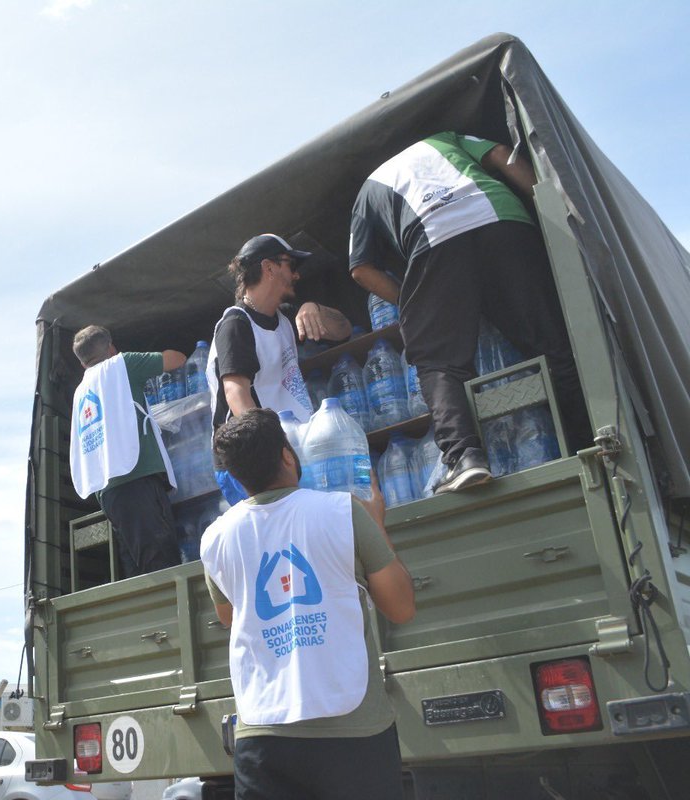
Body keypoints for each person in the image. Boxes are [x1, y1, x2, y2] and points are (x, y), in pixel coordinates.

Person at [349, 131, 591, 494]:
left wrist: (415, 303)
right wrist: (551, 209)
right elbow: (502, 156)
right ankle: (587, 440)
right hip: (504, 221)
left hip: (435, 236)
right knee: (552, 342)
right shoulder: (446, 138)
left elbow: (361, 269)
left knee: (438, 361)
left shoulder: (368, 190)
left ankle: (465, 459)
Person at [200, 409, 415, 800]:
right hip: (353, 732)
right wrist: (377, 525)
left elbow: (231, 616)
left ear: (235, 476)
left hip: (262, 739)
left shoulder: (215, 539)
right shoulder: (342, 510)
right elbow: (400, 607)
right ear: (287, 456)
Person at [207, 234, 352, 503]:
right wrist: (275, 453)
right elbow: (236, 394)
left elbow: (343, 330)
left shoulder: (286, 317)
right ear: (269, 268)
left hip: (287, 452)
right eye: (291, 266)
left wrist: (314, 308)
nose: (296, 276)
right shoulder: (235, 324)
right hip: (252, 461)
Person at [69, 325, 184, 577]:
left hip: (108, 493)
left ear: (82, 363)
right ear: (111, 348)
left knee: (136, 563)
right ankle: (170, 611)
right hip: (137, 479)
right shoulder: (122, 364)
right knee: (160, 560)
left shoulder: (81, 391)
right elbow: (176, 359)